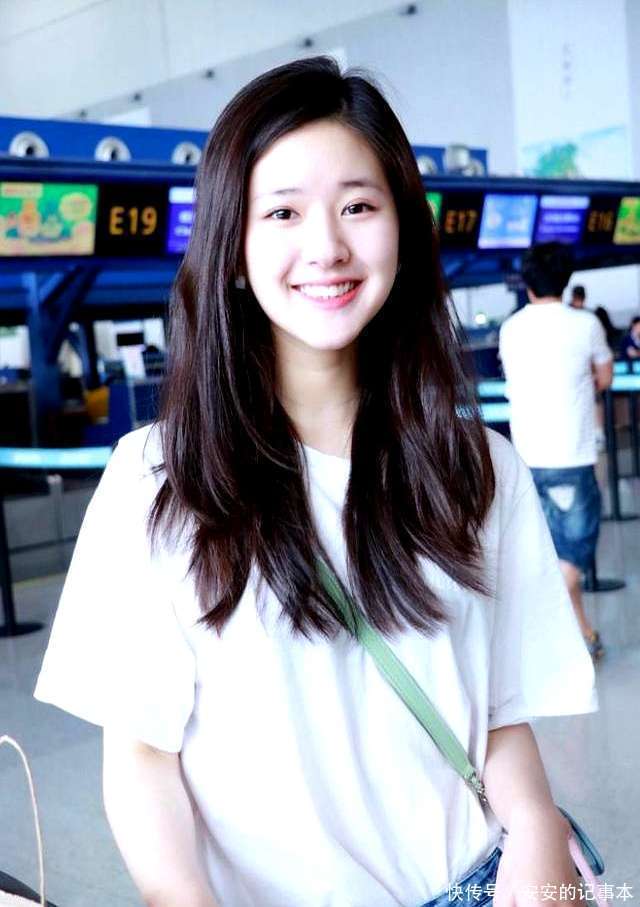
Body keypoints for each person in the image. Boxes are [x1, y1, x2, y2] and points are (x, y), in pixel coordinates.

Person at [35, 59, 596, 907]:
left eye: (358, 206)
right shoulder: (158, 480)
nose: (327, 246)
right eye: (284, 212)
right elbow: (143, 761)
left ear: (401, 228)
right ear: (232, 246)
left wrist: (538, 831)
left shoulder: (479, 468)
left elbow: (497, 712)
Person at [499, 243, 613, 661]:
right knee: (572, 555)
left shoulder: (511, 328)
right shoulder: (585, 324)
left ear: (526, 283)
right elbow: (604, 377)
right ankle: (568, 635)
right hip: (573, 456)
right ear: (565, 281)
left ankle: (581, 632)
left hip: (526, 458)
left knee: (546, 550)